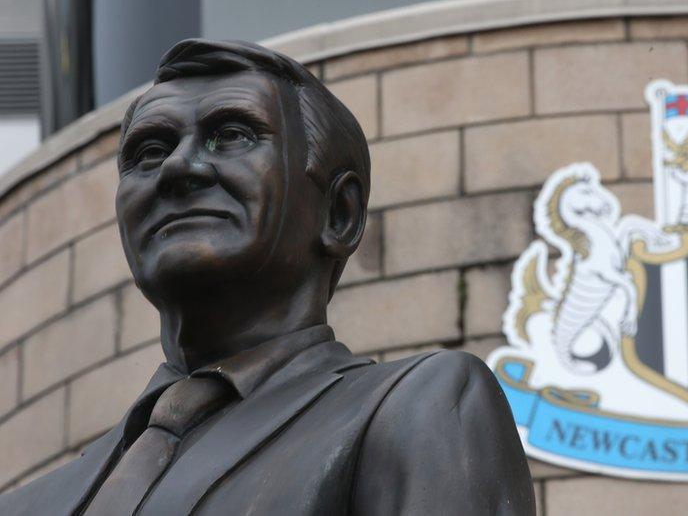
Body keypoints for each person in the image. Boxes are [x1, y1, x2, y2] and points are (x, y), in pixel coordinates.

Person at [0, 39, 534, 515]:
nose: (179, 168)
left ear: (339, 214)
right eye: (150, 152)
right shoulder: (31, 504)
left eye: (231, 135)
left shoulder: (414, 410)